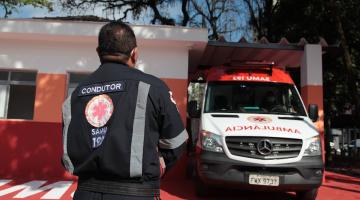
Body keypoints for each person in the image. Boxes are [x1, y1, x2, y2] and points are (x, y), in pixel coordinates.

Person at [61, 21, 188, 200]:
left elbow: (69, 150)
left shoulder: (76, 94)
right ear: (134, 54)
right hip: (135, 193)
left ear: (99, 52)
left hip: (85, 193)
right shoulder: (153, 87)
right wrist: (159, 164)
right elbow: (176, 142)